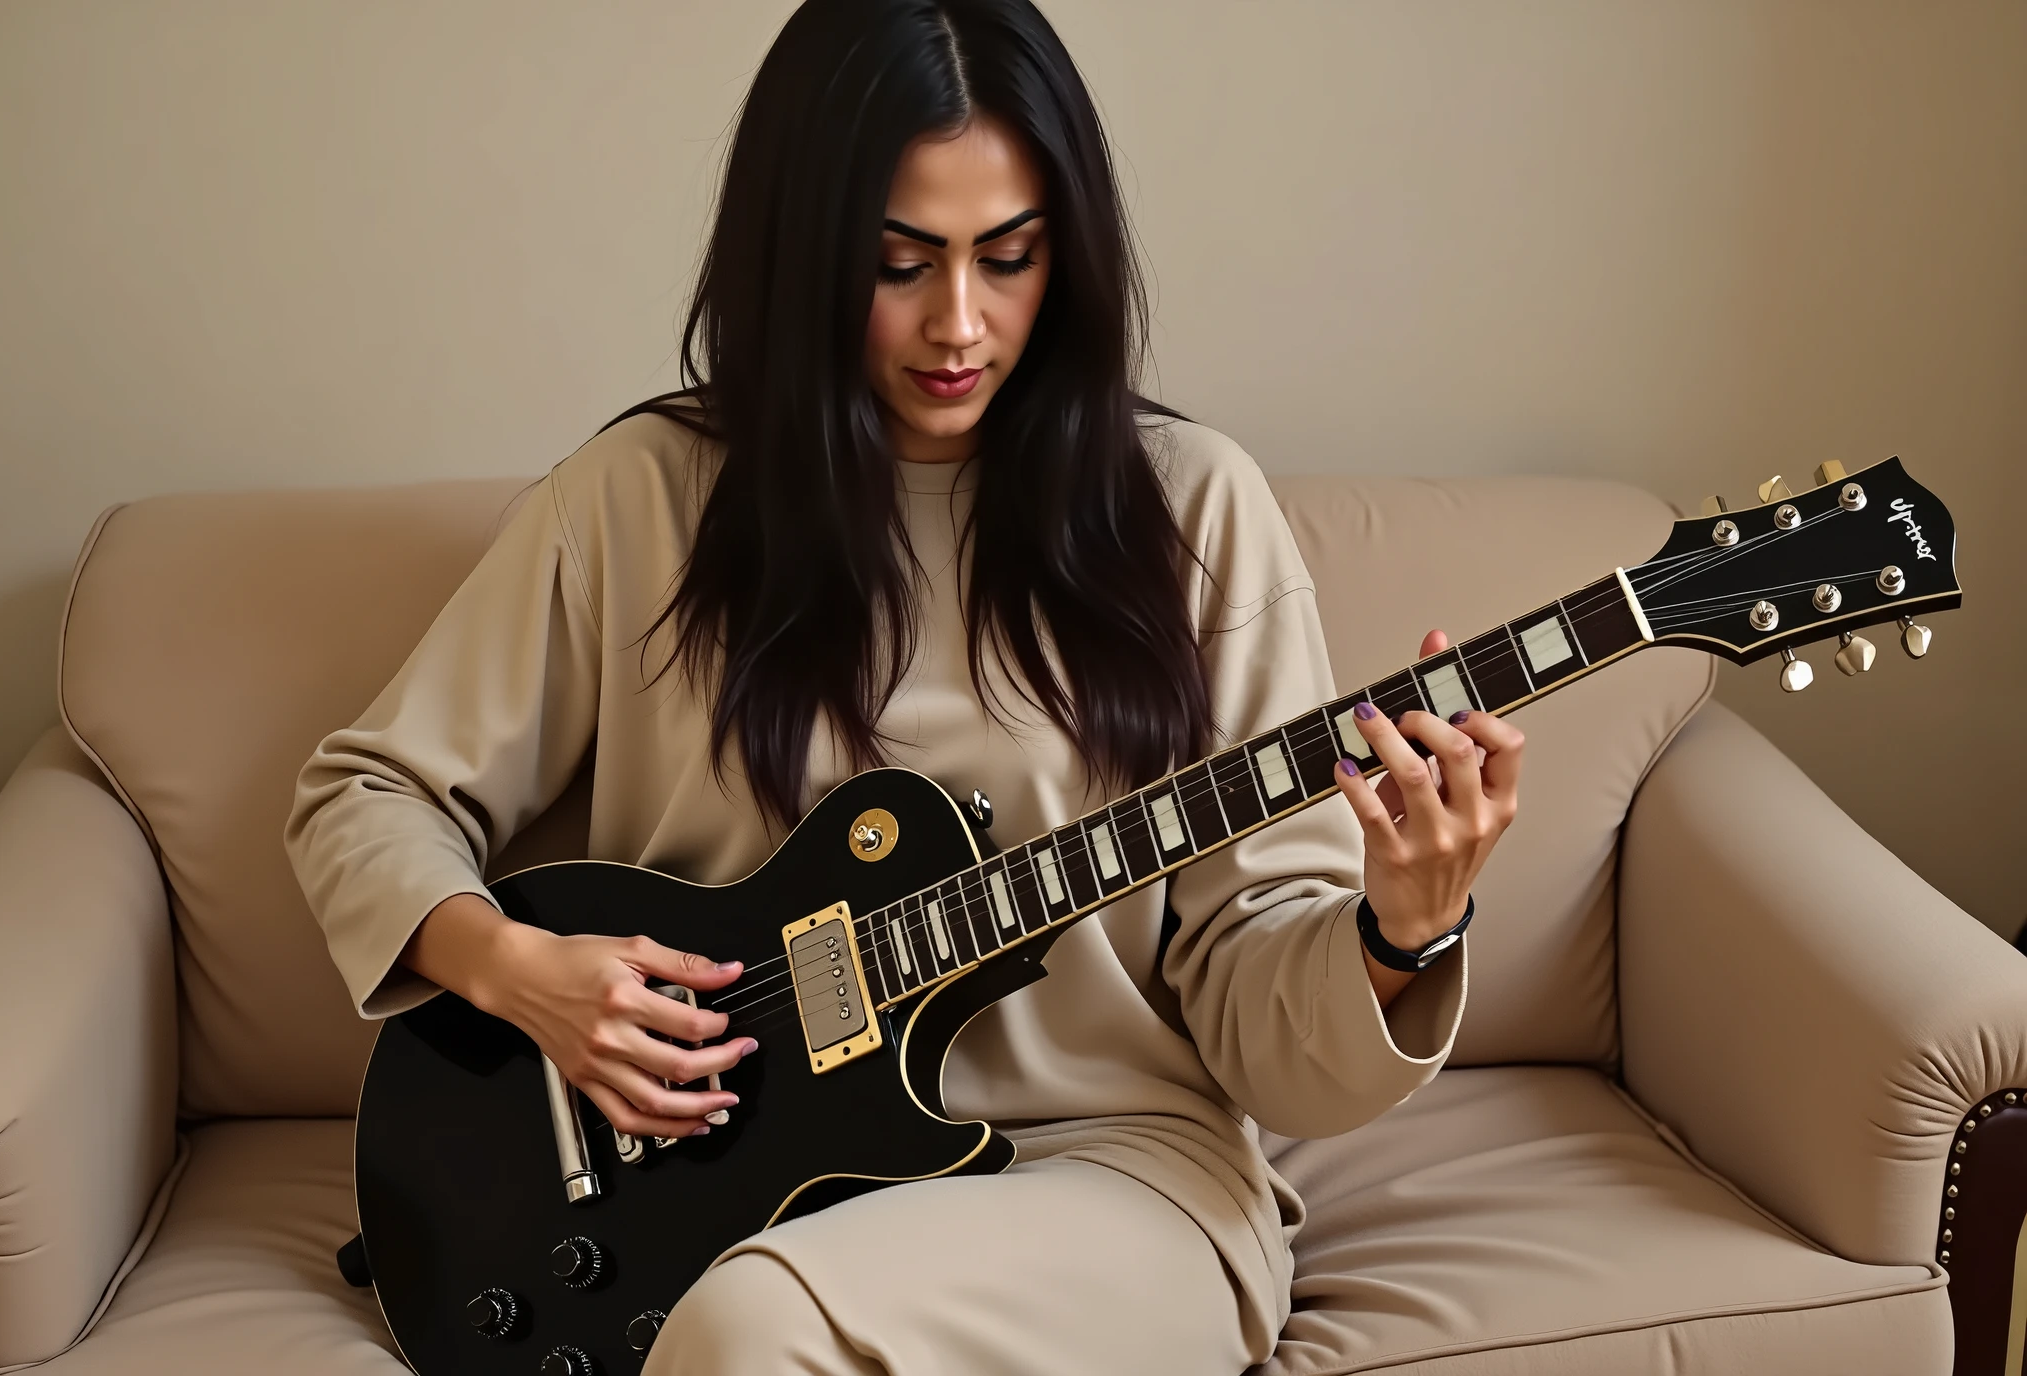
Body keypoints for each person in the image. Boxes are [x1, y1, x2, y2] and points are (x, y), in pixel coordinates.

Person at [284, 1, 1523, 1371]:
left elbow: (1272, 1034)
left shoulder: (1195, 514)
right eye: (897, 262)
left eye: (1011, 257)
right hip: (725, 1191)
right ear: (798, 253)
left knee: (752, 1327)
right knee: (747, 1310)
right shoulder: (637, 501)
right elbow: (365, 795)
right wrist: (521, 973)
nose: (960, 322)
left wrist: (1404, 932)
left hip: (1107, 1177)